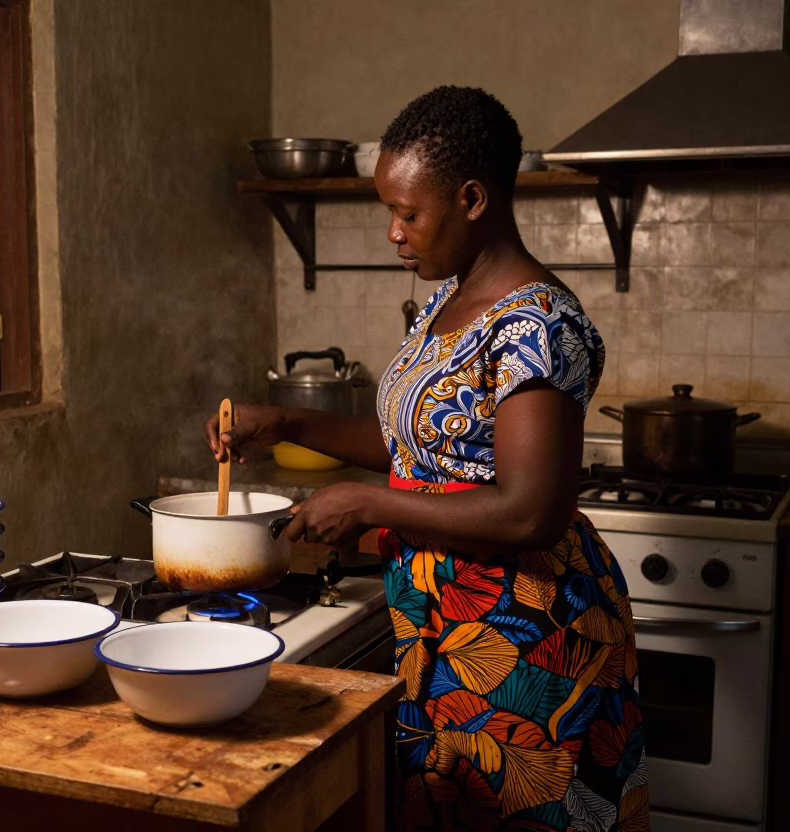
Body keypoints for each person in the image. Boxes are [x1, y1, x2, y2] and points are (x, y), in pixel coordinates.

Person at [206, 86, 648, 831]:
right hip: (441, 621)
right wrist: (284, 421)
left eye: (408, 212)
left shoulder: (539, 323)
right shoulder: (447, 301)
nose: (393, 233)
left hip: (523, 634)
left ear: (472, 197)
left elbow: (531, 511)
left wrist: (368, 504)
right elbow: (423, 450)